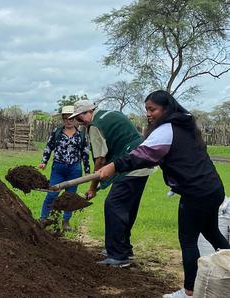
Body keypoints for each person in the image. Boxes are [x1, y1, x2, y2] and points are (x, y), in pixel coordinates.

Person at [96, 90, 230, 298]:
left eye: (153, 109)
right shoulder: (186, 127)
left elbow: (142, 155)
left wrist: (113, 166)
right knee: (212, 232)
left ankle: (190, 291)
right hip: (212, 189)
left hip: (195, 193)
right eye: (146, 109)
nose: (148, 114)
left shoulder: (167, 130)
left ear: (166, 109)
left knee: (188, 241)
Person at [69, 99, 153, 267]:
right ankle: (123, 248)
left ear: (89, 112)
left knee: (113, 205)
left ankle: (117, 255)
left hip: (130, 166)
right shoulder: (112, 113)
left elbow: (100, 160)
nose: (78, 123)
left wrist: (92, 188)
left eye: (79, 118)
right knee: (128, 207)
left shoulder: (95, 126)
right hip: (143, 162)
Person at [38, 105, 90, 231]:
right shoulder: (57, 132)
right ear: (63, 119)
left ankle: (66, 222)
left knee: (70, 196)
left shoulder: (81, 135)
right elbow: (48, 147)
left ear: (75, 119)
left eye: (71, 118)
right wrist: (44, 162)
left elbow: (85, 153)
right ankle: (43, 219)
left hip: (74, 169)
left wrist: (87, 170)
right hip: (58, 168)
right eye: (66, 118)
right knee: (52, 193)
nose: (68, 121)